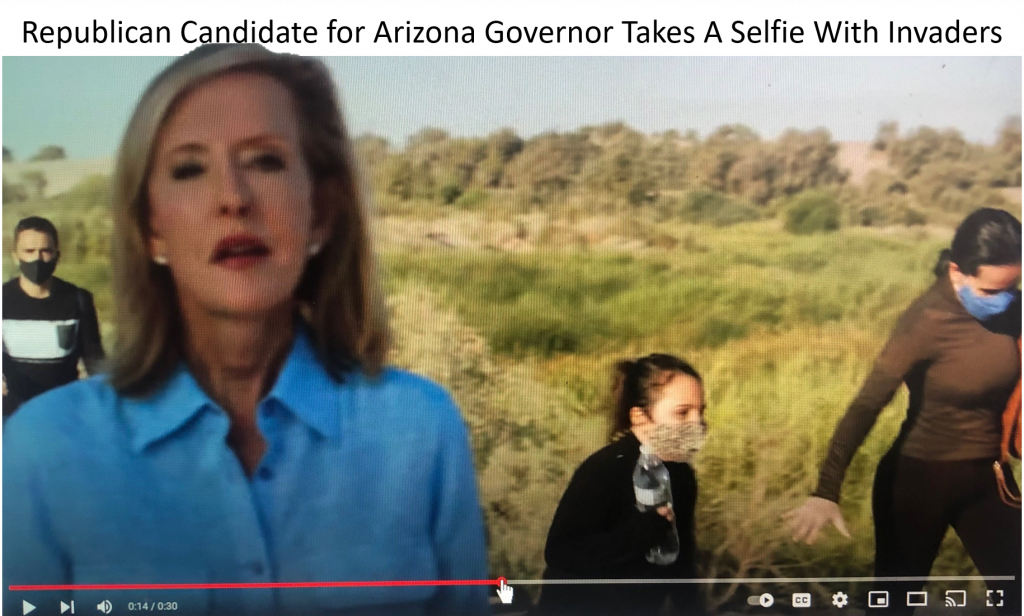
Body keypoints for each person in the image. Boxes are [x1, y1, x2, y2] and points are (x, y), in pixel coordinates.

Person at [1, 44, 490, 616]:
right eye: (189, 169)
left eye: (265, 161)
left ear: (322, 212)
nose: (233, 198)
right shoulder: (45, 446)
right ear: (150, 230)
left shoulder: (421, 429)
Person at [784, 208, 1022, 615]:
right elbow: (866, 405)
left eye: (1013, 286)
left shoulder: (1012, 308)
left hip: (989, 478)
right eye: (990, 291)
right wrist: (826, 491)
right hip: (917, 482)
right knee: (892, 606)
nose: (1003, 300)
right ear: (956, 270)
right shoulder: (924, 323)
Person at [533, 354, 708, 616]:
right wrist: (641, 532)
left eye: (700, 411)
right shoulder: (605, 468)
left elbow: (682, 563)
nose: (697, 423)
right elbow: (562, 552)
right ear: (639, 417)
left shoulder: (682, 475)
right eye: (683, 412)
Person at [2, 216, 105, 422]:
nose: (37, 259)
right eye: (29, 252)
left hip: (64, 416)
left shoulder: (78, 299)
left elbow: (95, 361)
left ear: (57, 255)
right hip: (11, 419)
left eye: (45, 251)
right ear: (15, 256)